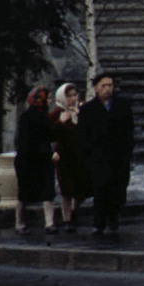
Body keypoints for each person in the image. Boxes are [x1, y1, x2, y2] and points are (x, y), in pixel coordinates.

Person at [77, 72, 135, 238]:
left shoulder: (122, 106)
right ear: (96, 88)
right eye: (104, 86)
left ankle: (114, 216)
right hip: (98, 158)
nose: (108, 89)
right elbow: (83, 135)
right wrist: (88, 155)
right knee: (100, 191)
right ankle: (99, 223)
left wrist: (127, 150)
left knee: (119, 190)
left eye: (110, 85)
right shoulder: (88, 109)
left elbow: (129, 131)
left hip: (119, 157)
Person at [13, 87, 59, 240]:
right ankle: (46, 223)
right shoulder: (37, 117)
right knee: (36, 191)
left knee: (33, 191)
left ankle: (25, 223)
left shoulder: (30, 116)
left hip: (33, 159)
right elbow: (49, 135)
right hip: (33, 159)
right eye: (49, 98)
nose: (50, 100)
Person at [51, 81, 89, 230]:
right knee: (66, 189)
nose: (73, 99)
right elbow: (50, 133)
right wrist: (61, 121)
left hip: (80, 153)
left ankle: (74, 210)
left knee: (83, 187)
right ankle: (67, 219)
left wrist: (82, 117)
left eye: (75, 95)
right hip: (64, 154)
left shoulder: (81, 110)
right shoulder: (56, 113)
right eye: (69, 96)